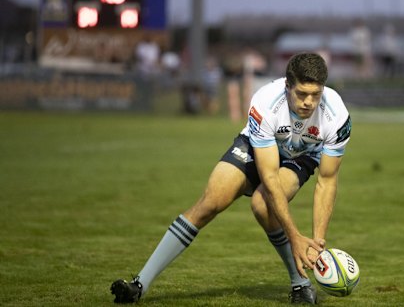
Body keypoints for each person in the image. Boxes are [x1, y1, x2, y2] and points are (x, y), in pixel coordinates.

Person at [111, 52, 352, 304]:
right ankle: (138, 285)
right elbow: (268, 176)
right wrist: (294, 236)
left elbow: (327, 180)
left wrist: (316, 242)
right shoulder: (265, 103)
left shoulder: (337, 116)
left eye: (316, 95)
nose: (309, 102)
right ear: (287, 86)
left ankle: (300, 284)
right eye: (302, 94)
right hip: (258, 147)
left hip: (301, 156)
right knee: (210, 203)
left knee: (261, 206)